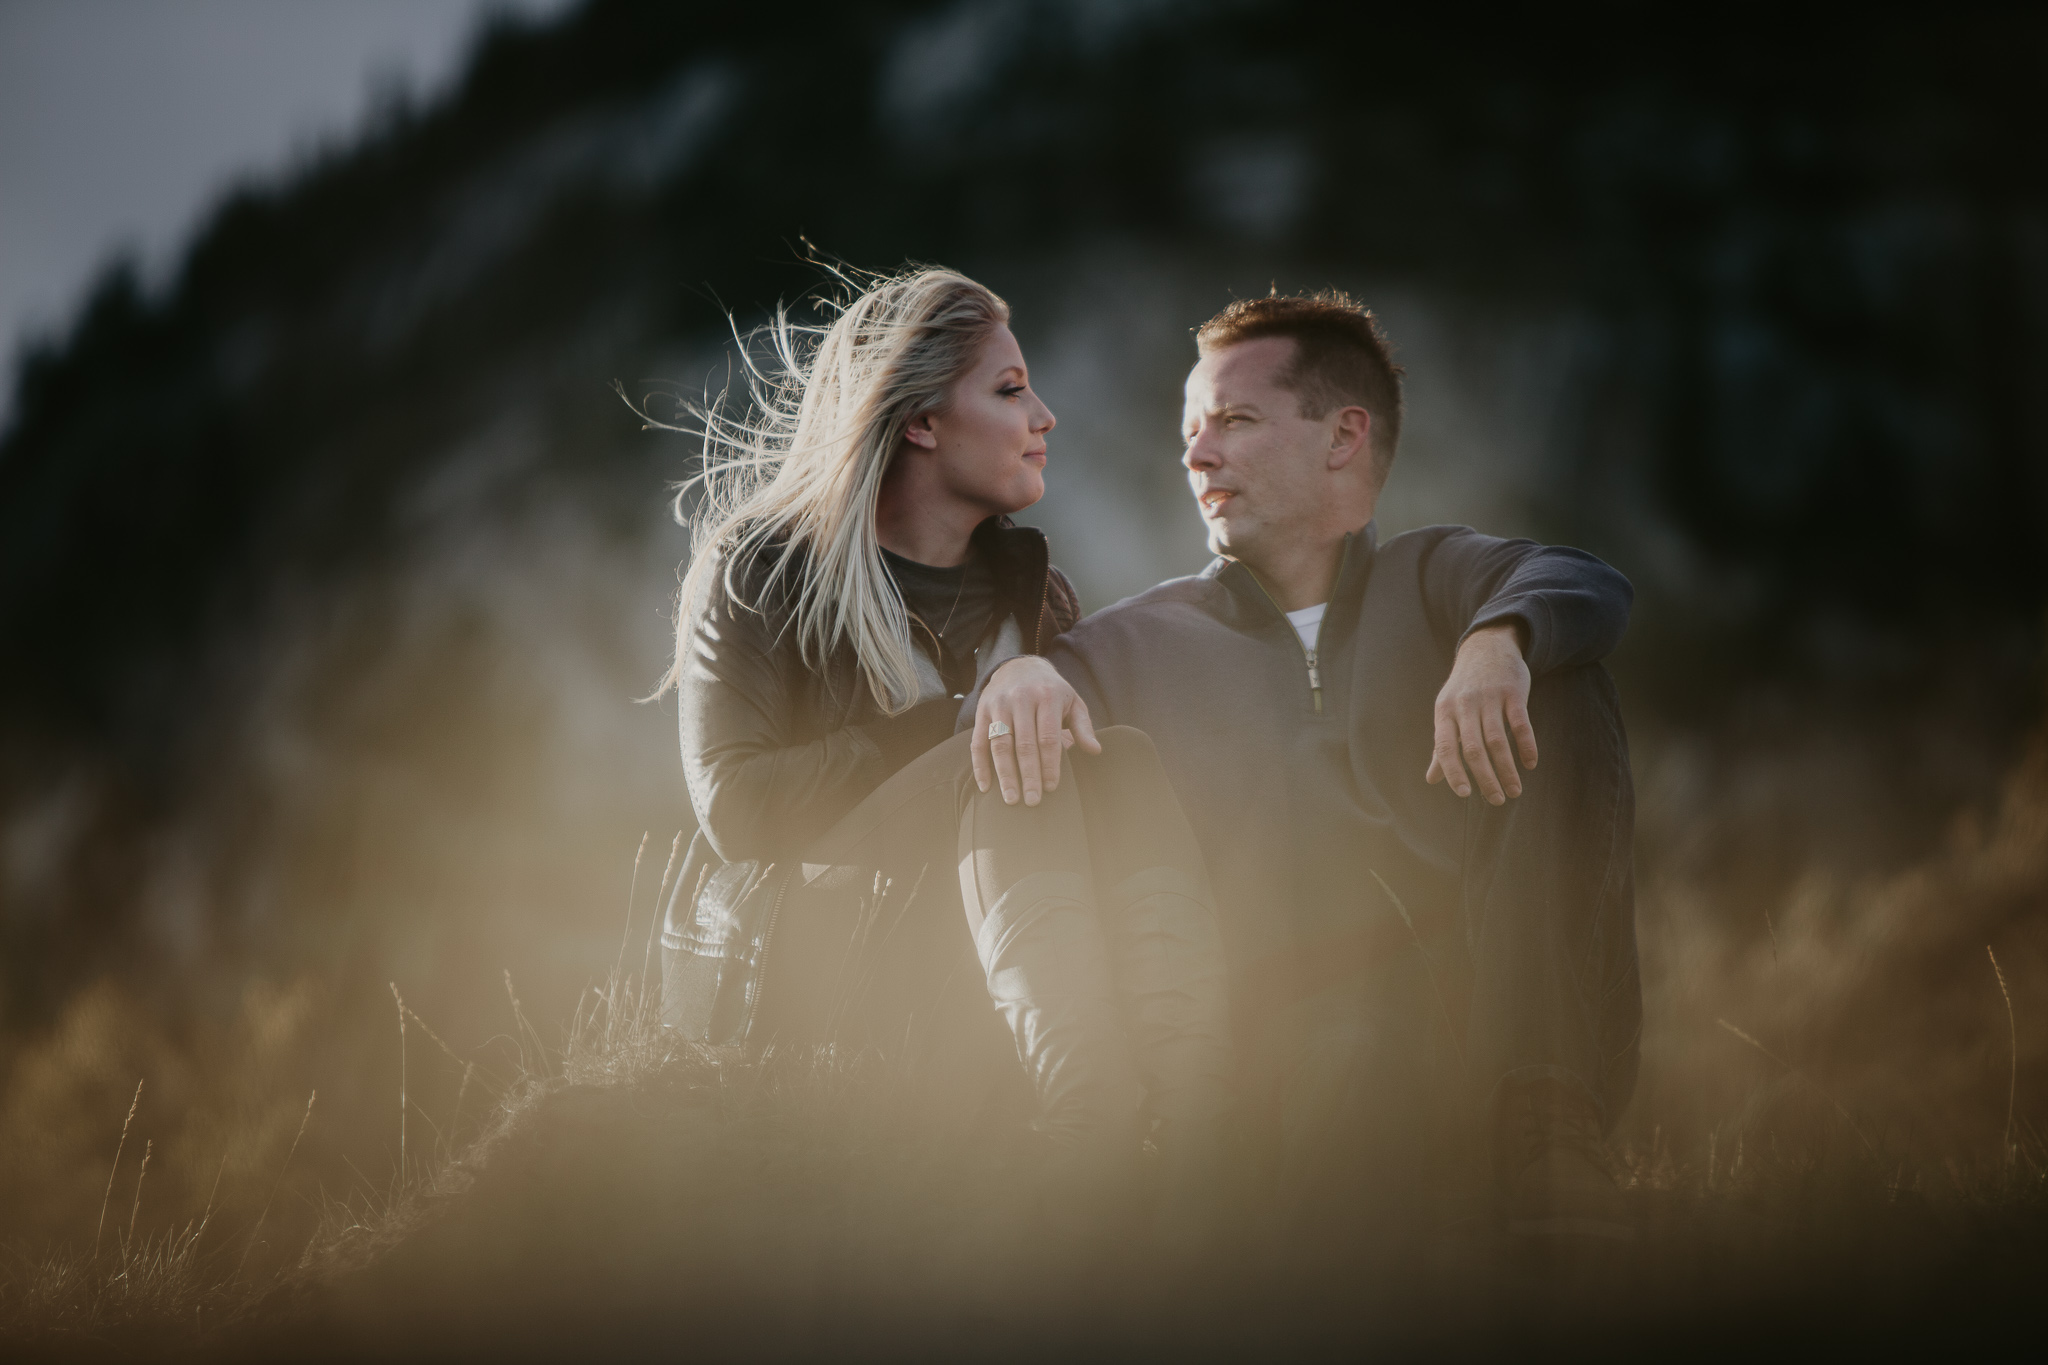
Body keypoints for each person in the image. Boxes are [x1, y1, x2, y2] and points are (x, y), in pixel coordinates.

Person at [977, 291, 1640, 1253]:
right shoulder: (1131, 643)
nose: (1198, 456)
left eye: (1234, 422)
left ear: (1343, 438)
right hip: (1272, 1068)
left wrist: (1500, 640)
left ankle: (1550, 1129)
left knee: (1567, 679)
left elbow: (1588, 583)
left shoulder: (1437, 579)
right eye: (1190, 432)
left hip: (1477, 1049)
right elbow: (988, 743)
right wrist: (1020, 671)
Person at [652, 266, 1232, 1194]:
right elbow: (736, 810)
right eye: (1009, 391)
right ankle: (1088, 1119)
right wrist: (959, 722)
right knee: (999, 757)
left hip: (978, 957)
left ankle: (1191, 1118)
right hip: (802, 970)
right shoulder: (765, 569)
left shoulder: (1036, 592)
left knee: (1116, 759)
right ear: (920, 421)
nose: (1045, 415)